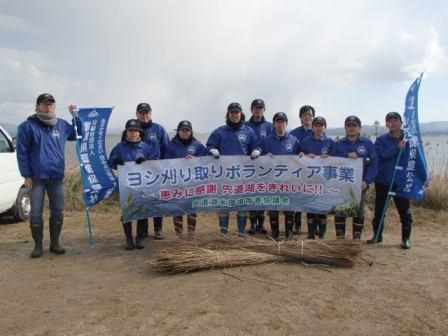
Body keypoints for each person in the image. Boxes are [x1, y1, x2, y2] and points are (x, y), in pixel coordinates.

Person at [16, 93, 80, 258]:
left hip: (56, 177)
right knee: (36, 212)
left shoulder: (62, 125)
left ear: (55, 106)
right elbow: (22, 153)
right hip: (36, 178)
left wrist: (75, 115)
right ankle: (38, 246)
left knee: (57, 212)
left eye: (51, 103)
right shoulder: (27, 126)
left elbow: (79, 134)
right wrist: (26, 175)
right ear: (37, 106)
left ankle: (55, 243)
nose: (48, 106)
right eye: (45, 104)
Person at [206, 102, 261, 234]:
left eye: (237, 112)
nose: (235, 115)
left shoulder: (248, 131)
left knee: (242, 204)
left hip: (243, 175)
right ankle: (224, 233)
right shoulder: (220, 131)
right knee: (224, 205)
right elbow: (209, 146)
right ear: (228, 115)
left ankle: (241, 232)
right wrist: (212, 149)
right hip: (224, 175)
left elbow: (257, 145)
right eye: (232, 113)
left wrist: (257, 151)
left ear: (241, 114)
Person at [108, 119, 157, 250]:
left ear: (140, 132)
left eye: (136, 130)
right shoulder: (119, 148)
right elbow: (110, 163)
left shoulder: (146, 148)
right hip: (126, 186)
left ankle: (139, 238)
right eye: (130, 130)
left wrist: (146, 162)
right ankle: (129, 238)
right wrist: (116, 161)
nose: (133, 133)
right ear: (126, 132)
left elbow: (156, 165)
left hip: (143, 185)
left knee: (141, 211)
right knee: (127, 212)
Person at [367, 112, 413, 249]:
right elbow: (380, 155)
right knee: (380, 210)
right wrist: (396, 147)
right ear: (386, 124)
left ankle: (406, 239)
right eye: (389, 121)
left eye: (395, 120)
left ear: (401, 122)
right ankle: (377, 235)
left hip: (401, 181)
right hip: (383, 180)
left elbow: (416, 159)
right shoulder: (381, 140)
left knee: (404, 211)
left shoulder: (410, 139)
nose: (393, 123)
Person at [331, 116, 378, 240]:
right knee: (341, 209)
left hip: (360, 184)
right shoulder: (338, 144)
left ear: (360, 128)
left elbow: (374, 163)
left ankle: (356, 239)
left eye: (354, 126)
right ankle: (340, 239)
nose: (351, 128)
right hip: (342, 183)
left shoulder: (367, 143)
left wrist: (367, 180)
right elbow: (332, 161)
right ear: (345, 128)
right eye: (349, 126)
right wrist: (346, 156)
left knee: (358, 210)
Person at [259, 112, 300, 240]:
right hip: (272, 180)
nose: (280, 124)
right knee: (273, 207)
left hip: (289, 180)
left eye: (282, 122)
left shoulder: (294, 140)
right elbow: (258, 159)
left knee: (289, 208)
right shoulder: (266, 141)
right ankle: (275, 233)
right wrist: (264, 157)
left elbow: (301, 159)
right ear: (274, 124)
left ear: (286, 124)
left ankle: (288, 233)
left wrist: (303, 156)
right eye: (277, 122)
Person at [163, 120, 207, 237]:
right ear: (178, 131)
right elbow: (165, 162)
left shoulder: (197, 145)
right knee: (177, 209)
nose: (185, 132)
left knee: (192, 208)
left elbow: (206, 160)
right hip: (176, 182)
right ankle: (179, 234)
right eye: (182, 130)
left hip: (193, 182)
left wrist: (195, 159)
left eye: (187, 130)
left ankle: (191, 233)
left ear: (191, 131)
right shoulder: (171, 145)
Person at [135, 102, 169, 239]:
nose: (144, 115)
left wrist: (165, 168)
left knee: (157, 200)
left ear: (151, 113)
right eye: (142, 113)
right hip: (138, 172)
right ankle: (142, 230)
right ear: (137, 114)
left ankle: (158, 229)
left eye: (147, 113)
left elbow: (166, 149)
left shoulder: (159, 129)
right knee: (141, 200)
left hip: (156, 172)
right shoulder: (132, 128)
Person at [299, 116, 334, 239]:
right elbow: (299, 157)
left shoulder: (330, 142)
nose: (318, 128)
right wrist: (303, 155)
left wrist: (329, 157)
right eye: (316, 125)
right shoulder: (305, 141)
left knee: (322, 207)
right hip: (310, 179)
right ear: (313, 127)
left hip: (325, 180)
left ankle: (322, 234)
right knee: (311, 206)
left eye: (321, 125)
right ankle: (311, 234)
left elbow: (337, 160)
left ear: (325, 127)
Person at [245, 99, 273, 234]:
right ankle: (251, 225)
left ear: (264, 110)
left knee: (262, 194)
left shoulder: (270, 126)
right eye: (256, 108)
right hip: (248, 167)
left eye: (260, 108)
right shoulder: (244, 126)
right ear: (251, 110)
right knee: (251, 194)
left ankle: (261, 225)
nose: (258, 110)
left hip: (265, 167)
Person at [290, 105, 316, 235]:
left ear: (313, 117)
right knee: (298, 198)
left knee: (314, 198)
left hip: (314, 173)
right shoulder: (294, 134)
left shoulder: (318, 131)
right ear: (300, 118)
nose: (307, 117)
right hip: (298, 172)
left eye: (310, 115)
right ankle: (297, 224)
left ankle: (314, 226)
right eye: (305, 115)